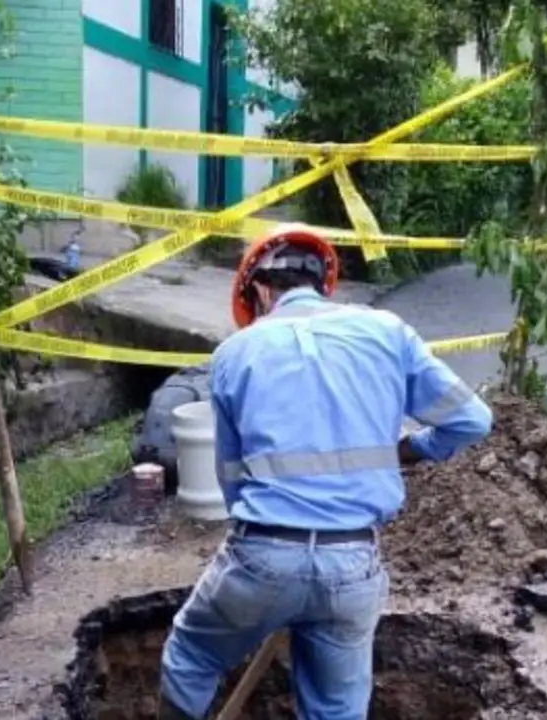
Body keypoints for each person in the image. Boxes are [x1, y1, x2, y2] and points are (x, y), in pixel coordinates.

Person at [158, 225, 494, 719]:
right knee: (336, 710)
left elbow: (232, 480)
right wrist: (412, 450)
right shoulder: (387, 332)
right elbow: (472, 421)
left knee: (191, 657)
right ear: (322, 283)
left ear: (259, 290)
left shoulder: (235, 353)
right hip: (352, 564)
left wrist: (274, 566)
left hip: (262, 555)